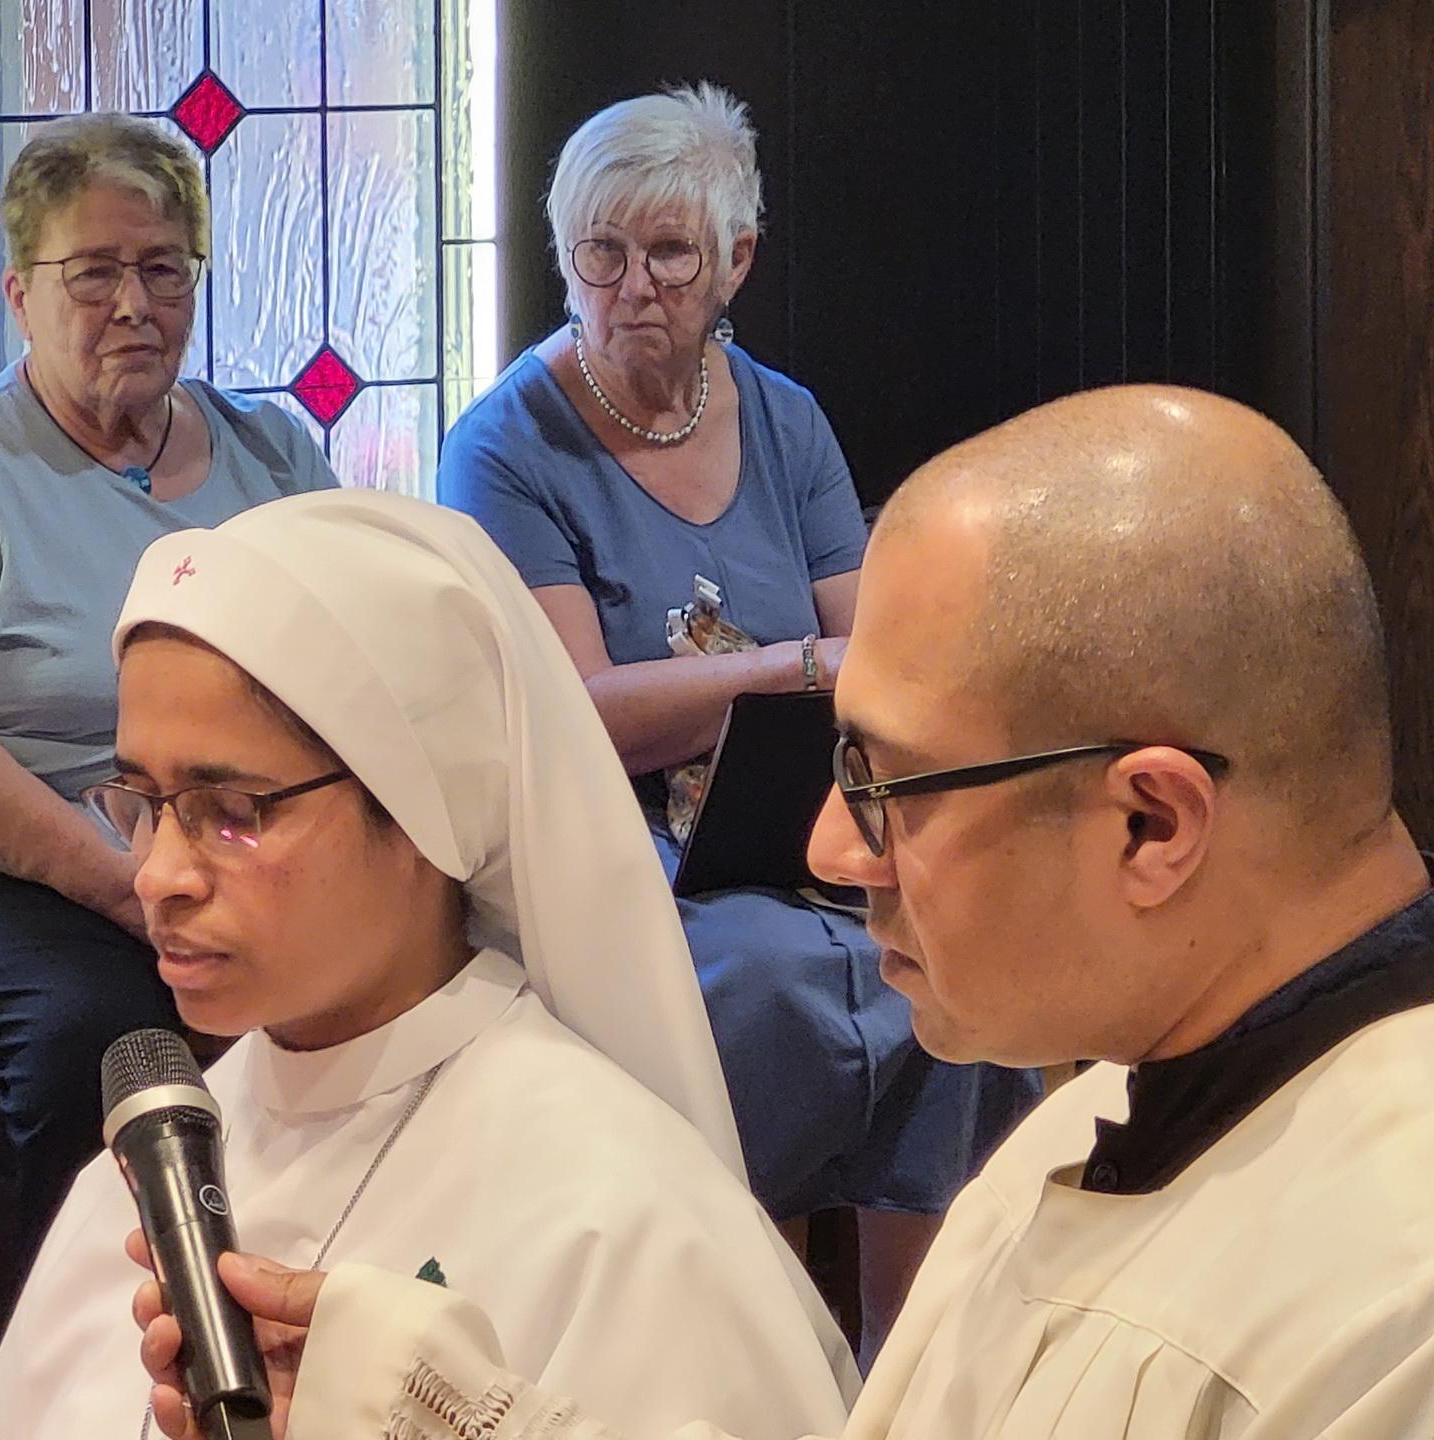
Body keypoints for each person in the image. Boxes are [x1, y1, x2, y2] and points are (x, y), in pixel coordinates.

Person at [138, 385, 1434, 1439]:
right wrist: (457, 1421)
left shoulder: (1388, 1301)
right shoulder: (1093, 1126)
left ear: (1151, 824)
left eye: (879, 784)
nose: (828, 844)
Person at [0, 488, 858, 1438]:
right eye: (141, 801)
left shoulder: (620, 1220)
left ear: (421, 807)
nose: (156, 875)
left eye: (231, 811)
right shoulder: (155, 1159)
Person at [437, 82, 1040, 1353]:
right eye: (601, 252)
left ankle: (911, 1370)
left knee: (958, 948)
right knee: (762, 981)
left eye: (669, 253)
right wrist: (789, 671)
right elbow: (584, 713)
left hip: (801, 820)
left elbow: (880, 647)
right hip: (622, 852)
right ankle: (734, 1349)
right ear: (564, 256)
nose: (632, 286)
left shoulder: (784, 416)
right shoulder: (504, 446)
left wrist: (825, 672)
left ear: (735, 262)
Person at [0, 112, 336, 1336]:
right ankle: (73, 1368)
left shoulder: (279, 452)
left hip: (266, 836)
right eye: (94, 271)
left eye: (163, 268)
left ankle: (352, 1322)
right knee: (97, 1039)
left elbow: (356, 670)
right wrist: (126, 880)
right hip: (49, 867)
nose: (133, 302)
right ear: (18, 291)